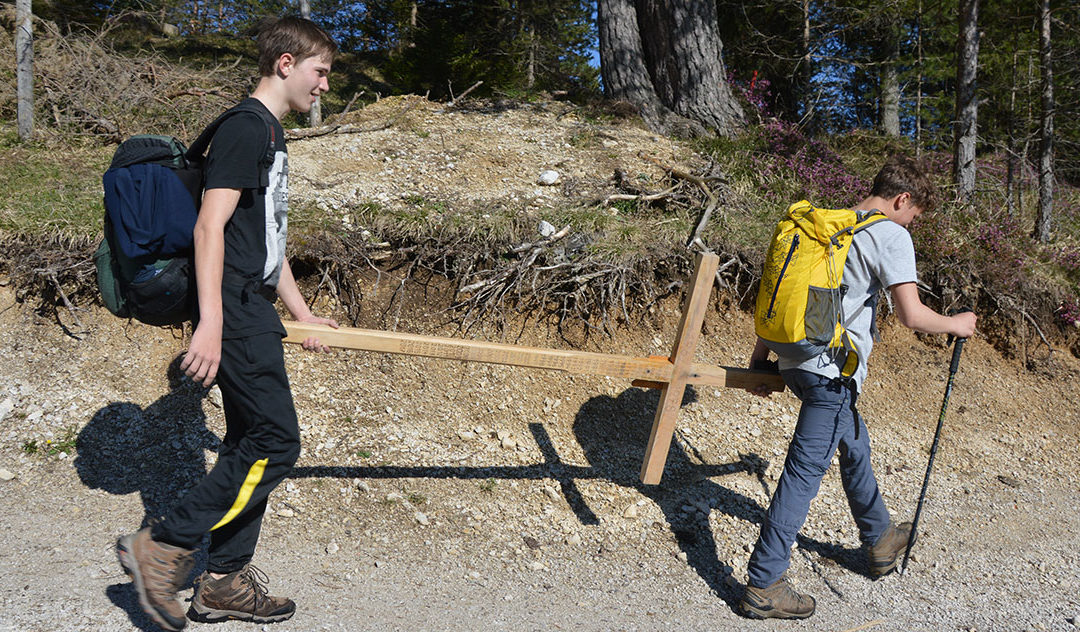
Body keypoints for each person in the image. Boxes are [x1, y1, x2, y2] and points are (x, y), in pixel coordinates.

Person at [116, 17, 339, 631]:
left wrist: (300, 310)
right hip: (235, 309)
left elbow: (266, 240)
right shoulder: (246, 129)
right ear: (287, 63)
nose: (325, 85)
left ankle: (222, 584)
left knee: (249, 443)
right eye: (321, 72)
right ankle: (163, 545)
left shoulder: (269, 135)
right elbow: (208, 228)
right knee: (275, 443)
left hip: (252, 302)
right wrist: (209, 323)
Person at [738, 155, 978, 620]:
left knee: (854, 443)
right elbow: (911, 315)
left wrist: (762, 357)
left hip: (796, 360)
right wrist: (957, 323)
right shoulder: (889, 234)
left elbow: (789, 288)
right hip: (832, 371)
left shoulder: (831, 227)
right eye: (914, 215)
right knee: (804, 472)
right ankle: (765, 581)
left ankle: (880, 538)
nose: (912, 223)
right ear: (902, 199)